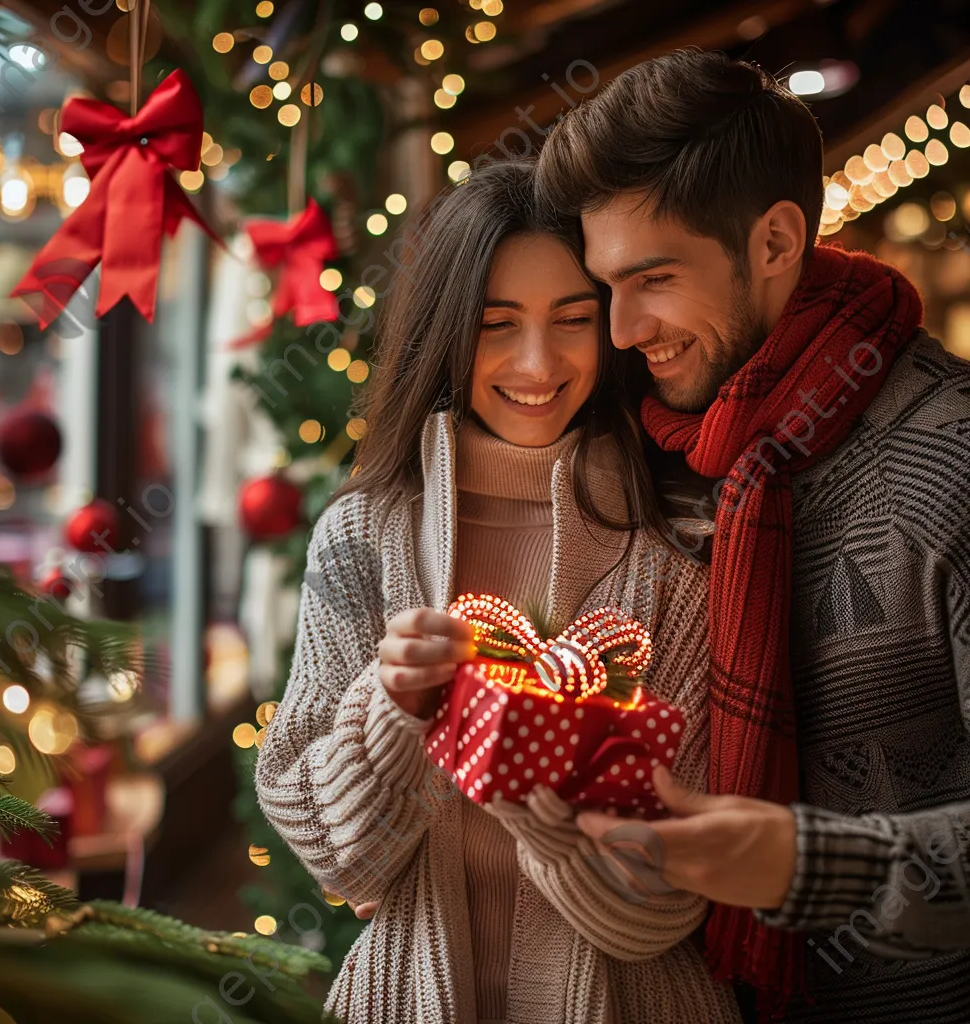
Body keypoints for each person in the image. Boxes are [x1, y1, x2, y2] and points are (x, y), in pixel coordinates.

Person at [535, 47, 970, 1024]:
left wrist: (797, 861)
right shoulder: (665, 452)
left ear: (774, 240)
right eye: (606, 285)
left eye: (651, 277)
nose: (619, 329)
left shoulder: (953, 458)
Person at [254, 161, 741, 1024]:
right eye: (496, 324)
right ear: (448, 331)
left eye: (573, 321)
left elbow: (669, 904)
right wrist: (394, 705)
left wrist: (533, 772)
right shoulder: (365, 535)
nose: (536, 362)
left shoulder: (676, 549)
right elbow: (337, 861)